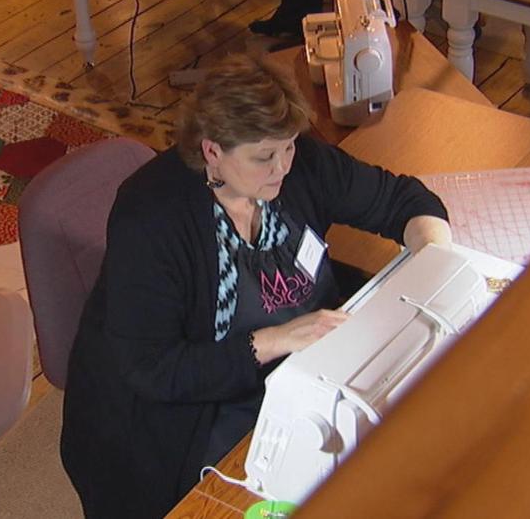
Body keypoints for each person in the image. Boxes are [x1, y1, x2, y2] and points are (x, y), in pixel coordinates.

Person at [60, 53, 452, 518]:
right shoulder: (152, 217)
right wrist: (276, 340)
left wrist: (438, 257)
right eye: (264, 157)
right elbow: (153, 370)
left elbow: (402, 200)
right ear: (212, 152)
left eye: (288, 148)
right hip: (184, 413)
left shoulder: (297, 162)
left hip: (296, 371)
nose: (282, 167)